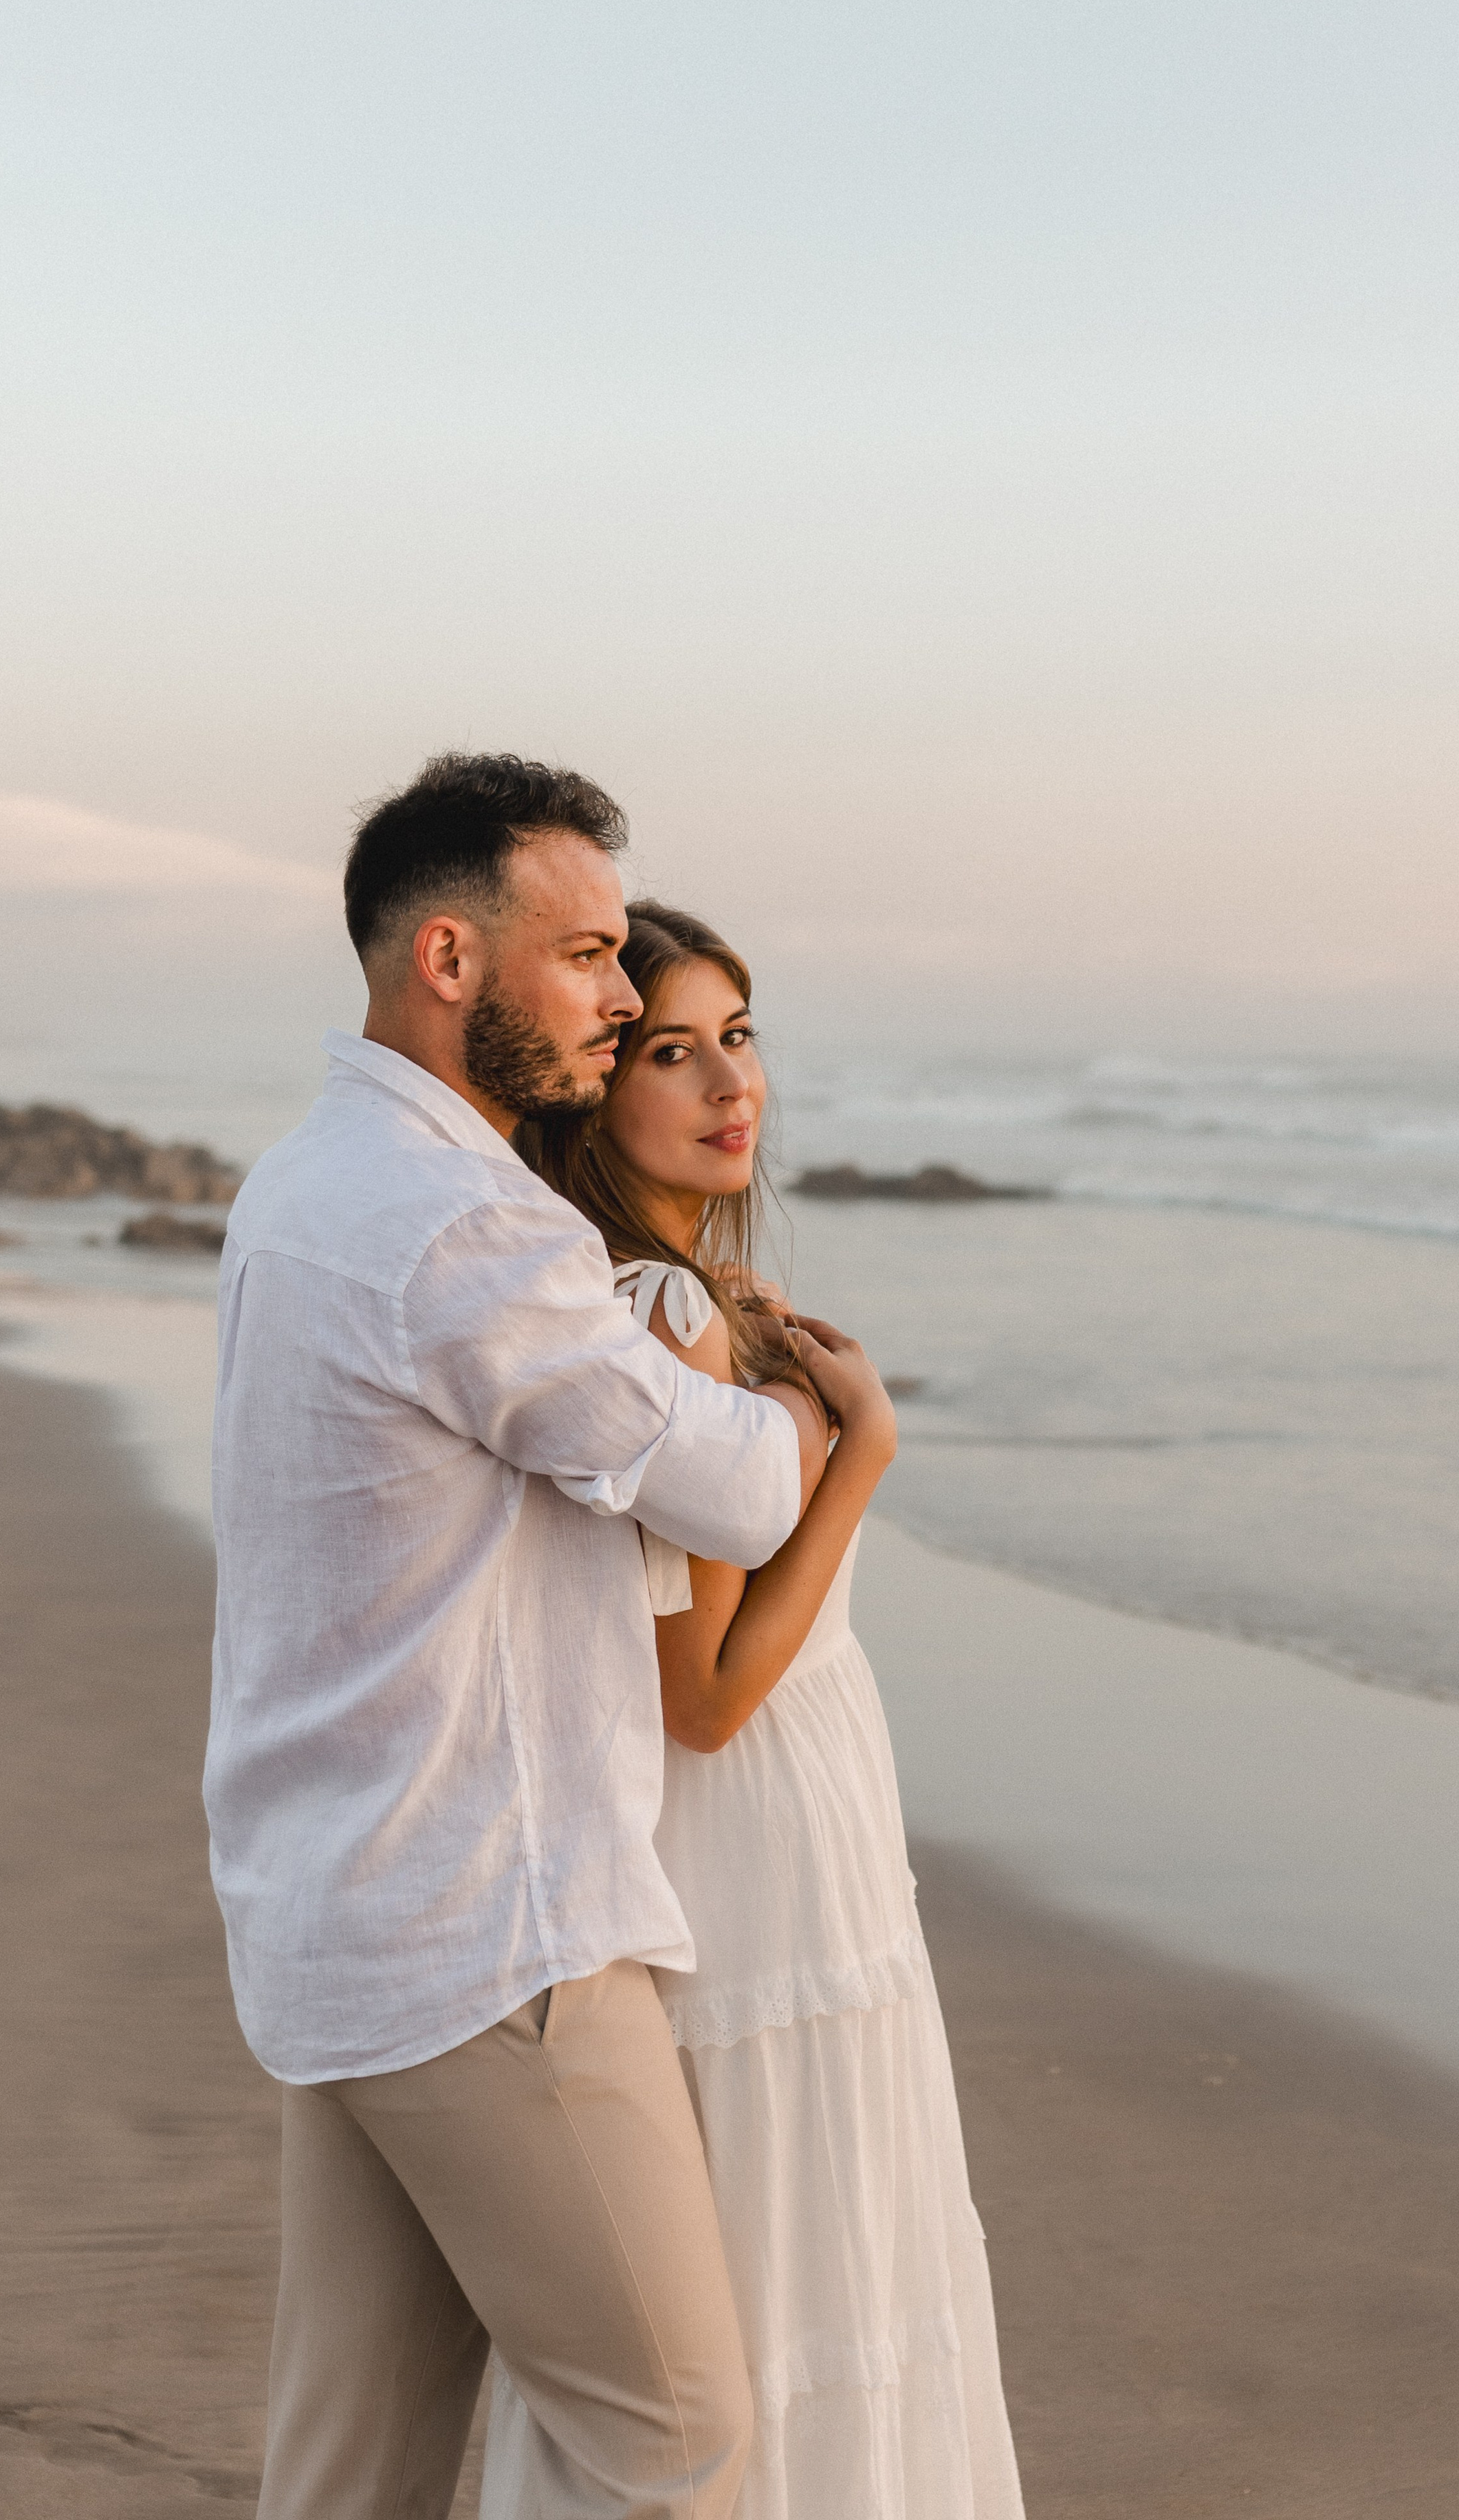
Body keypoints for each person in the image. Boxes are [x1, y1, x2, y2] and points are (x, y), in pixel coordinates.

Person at [204, 754, 886, 2520]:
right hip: (492, 1944)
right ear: (449, 959)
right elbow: (731, 1493)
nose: (614, 993)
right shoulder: (466, 1228)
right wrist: (826, 1418)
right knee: (679, 2441)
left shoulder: (301, 1180)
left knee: (353, 2464)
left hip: (336, 1928)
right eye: (586, 957)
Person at [485, 902, 1026, 2518]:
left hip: (798, 1820)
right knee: (794, 2258)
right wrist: (859, 1455)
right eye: (668, 1050)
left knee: (796, 2257)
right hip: (750, 1835)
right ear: (593, 1089)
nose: (731, 1084)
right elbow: (703, 1698)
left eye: (739, 1035)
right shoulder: (666, 1316)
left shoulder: (691, 1292)